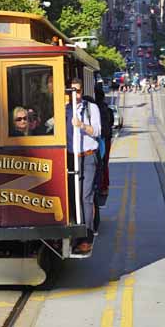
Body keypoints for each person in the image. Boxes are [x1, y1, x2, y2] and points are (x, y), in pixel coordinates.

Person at [65, 78, 102, 254]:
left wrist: (80, 125)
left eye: (77, 91)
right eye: (71, 91)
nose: (75, 95)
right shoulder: (64, 109)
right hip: (72, 157)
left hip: (88, 157)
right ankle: (75, 233)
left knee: (86, 197)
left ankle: (87, 237)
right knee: (73, 196)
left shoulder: (90, 108)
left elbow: (97, 131)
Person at [95, 84, 114, 196]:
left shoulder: (94, 109)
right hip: (106, 138)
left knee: (98, 163)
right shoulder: (108, 109)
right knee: (104, 163)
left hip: (100, 139)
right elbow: (111, 123)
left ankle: (100, 186)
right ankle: (104, 186)